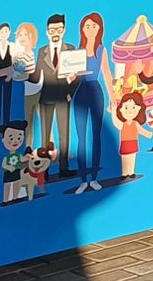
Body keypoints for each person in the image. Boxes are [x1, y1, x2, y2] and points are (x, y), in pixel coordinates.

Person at [70, 11, 109, 192]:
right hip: (81, 93)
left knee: (96, 136)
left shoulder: (102, 50)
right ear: (82, 29)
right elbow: (72, 77)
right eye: (87, 26)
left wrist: (114, 100)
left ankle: (94, 178)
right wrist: (70, 77)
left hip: (96, 92)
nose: (91, 29)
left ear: (100, 28)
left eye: (94, 25)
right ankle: (83, 180)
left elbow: (107, 75)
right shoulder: (77, 52)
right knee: (81, 138)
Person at [36, 14, 76, 176]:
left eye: (59, 29)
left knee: (64, 134)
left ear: (64, 30)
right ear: (47, 32)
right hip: (46, 97)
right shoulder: (42, 51)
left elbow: (78, 75)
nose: (55, 33)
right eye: (52, 30)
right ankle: (44, 170)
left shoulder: (70, 49)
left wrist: (71, 91)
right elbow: (37, 75)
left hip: (63, 97)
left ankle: (64, 168)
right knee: (45, 135)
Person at [113, 91, 145, 181]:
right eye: (126, 107)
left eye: (133, 107)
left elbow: (140, 130)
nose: (130, 111)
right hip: (125, 143)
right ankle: (124, 172)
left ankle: (131, 172)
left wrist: (148, 134)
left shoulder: (135, 123)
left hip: (133, 143)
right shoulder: (123, 124)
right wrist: (113, 113)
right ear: (121, 109)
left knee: (132, 157)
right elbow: (116, 123)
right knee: (124, 158)